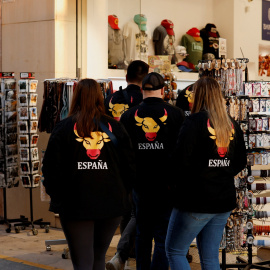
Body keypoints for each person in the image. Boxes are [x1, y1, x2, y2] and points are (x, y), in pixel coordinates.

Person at [42, 79, 136, 270]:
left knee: (83, 261)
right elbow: (130, 166)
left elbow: (50, 169)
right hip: (111, 204)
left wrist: (59, 198)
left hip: (76, 205)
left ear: (75, 97)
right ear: (100, 98)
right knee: (98, 258)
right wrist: (123, 194)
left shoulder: (63, 128)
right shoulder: (115, 127)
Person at [165, 76, 247, 270]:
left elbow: (180, 162)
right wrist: (221, 171)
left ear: (198, 96)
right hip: (223, 200)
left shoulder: (193, 122)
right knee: (210, 258)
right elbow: (241, 162)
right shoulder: (232, 124)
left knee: (175, 251)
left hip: (196, 200)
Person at [120, 72, 185, 270]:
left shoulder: (128, 116)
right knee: (162, 234)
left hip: (140, 185)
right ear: (164, 91)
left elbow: (123, 154)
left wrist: (129, 182)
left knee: (142, 233)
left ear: (141, 91)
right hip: (167, 185)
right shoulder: (176, 115)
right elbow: (182, 152)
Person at [105, 60, 149, 270]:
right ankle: (127, 252)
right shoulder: (146, 99)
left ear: (126, 76)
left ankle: (126, 252)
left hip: (114, 161)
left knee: (126, 209)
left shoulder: (112, 98)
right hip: (141, 161)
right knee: (137, 210)